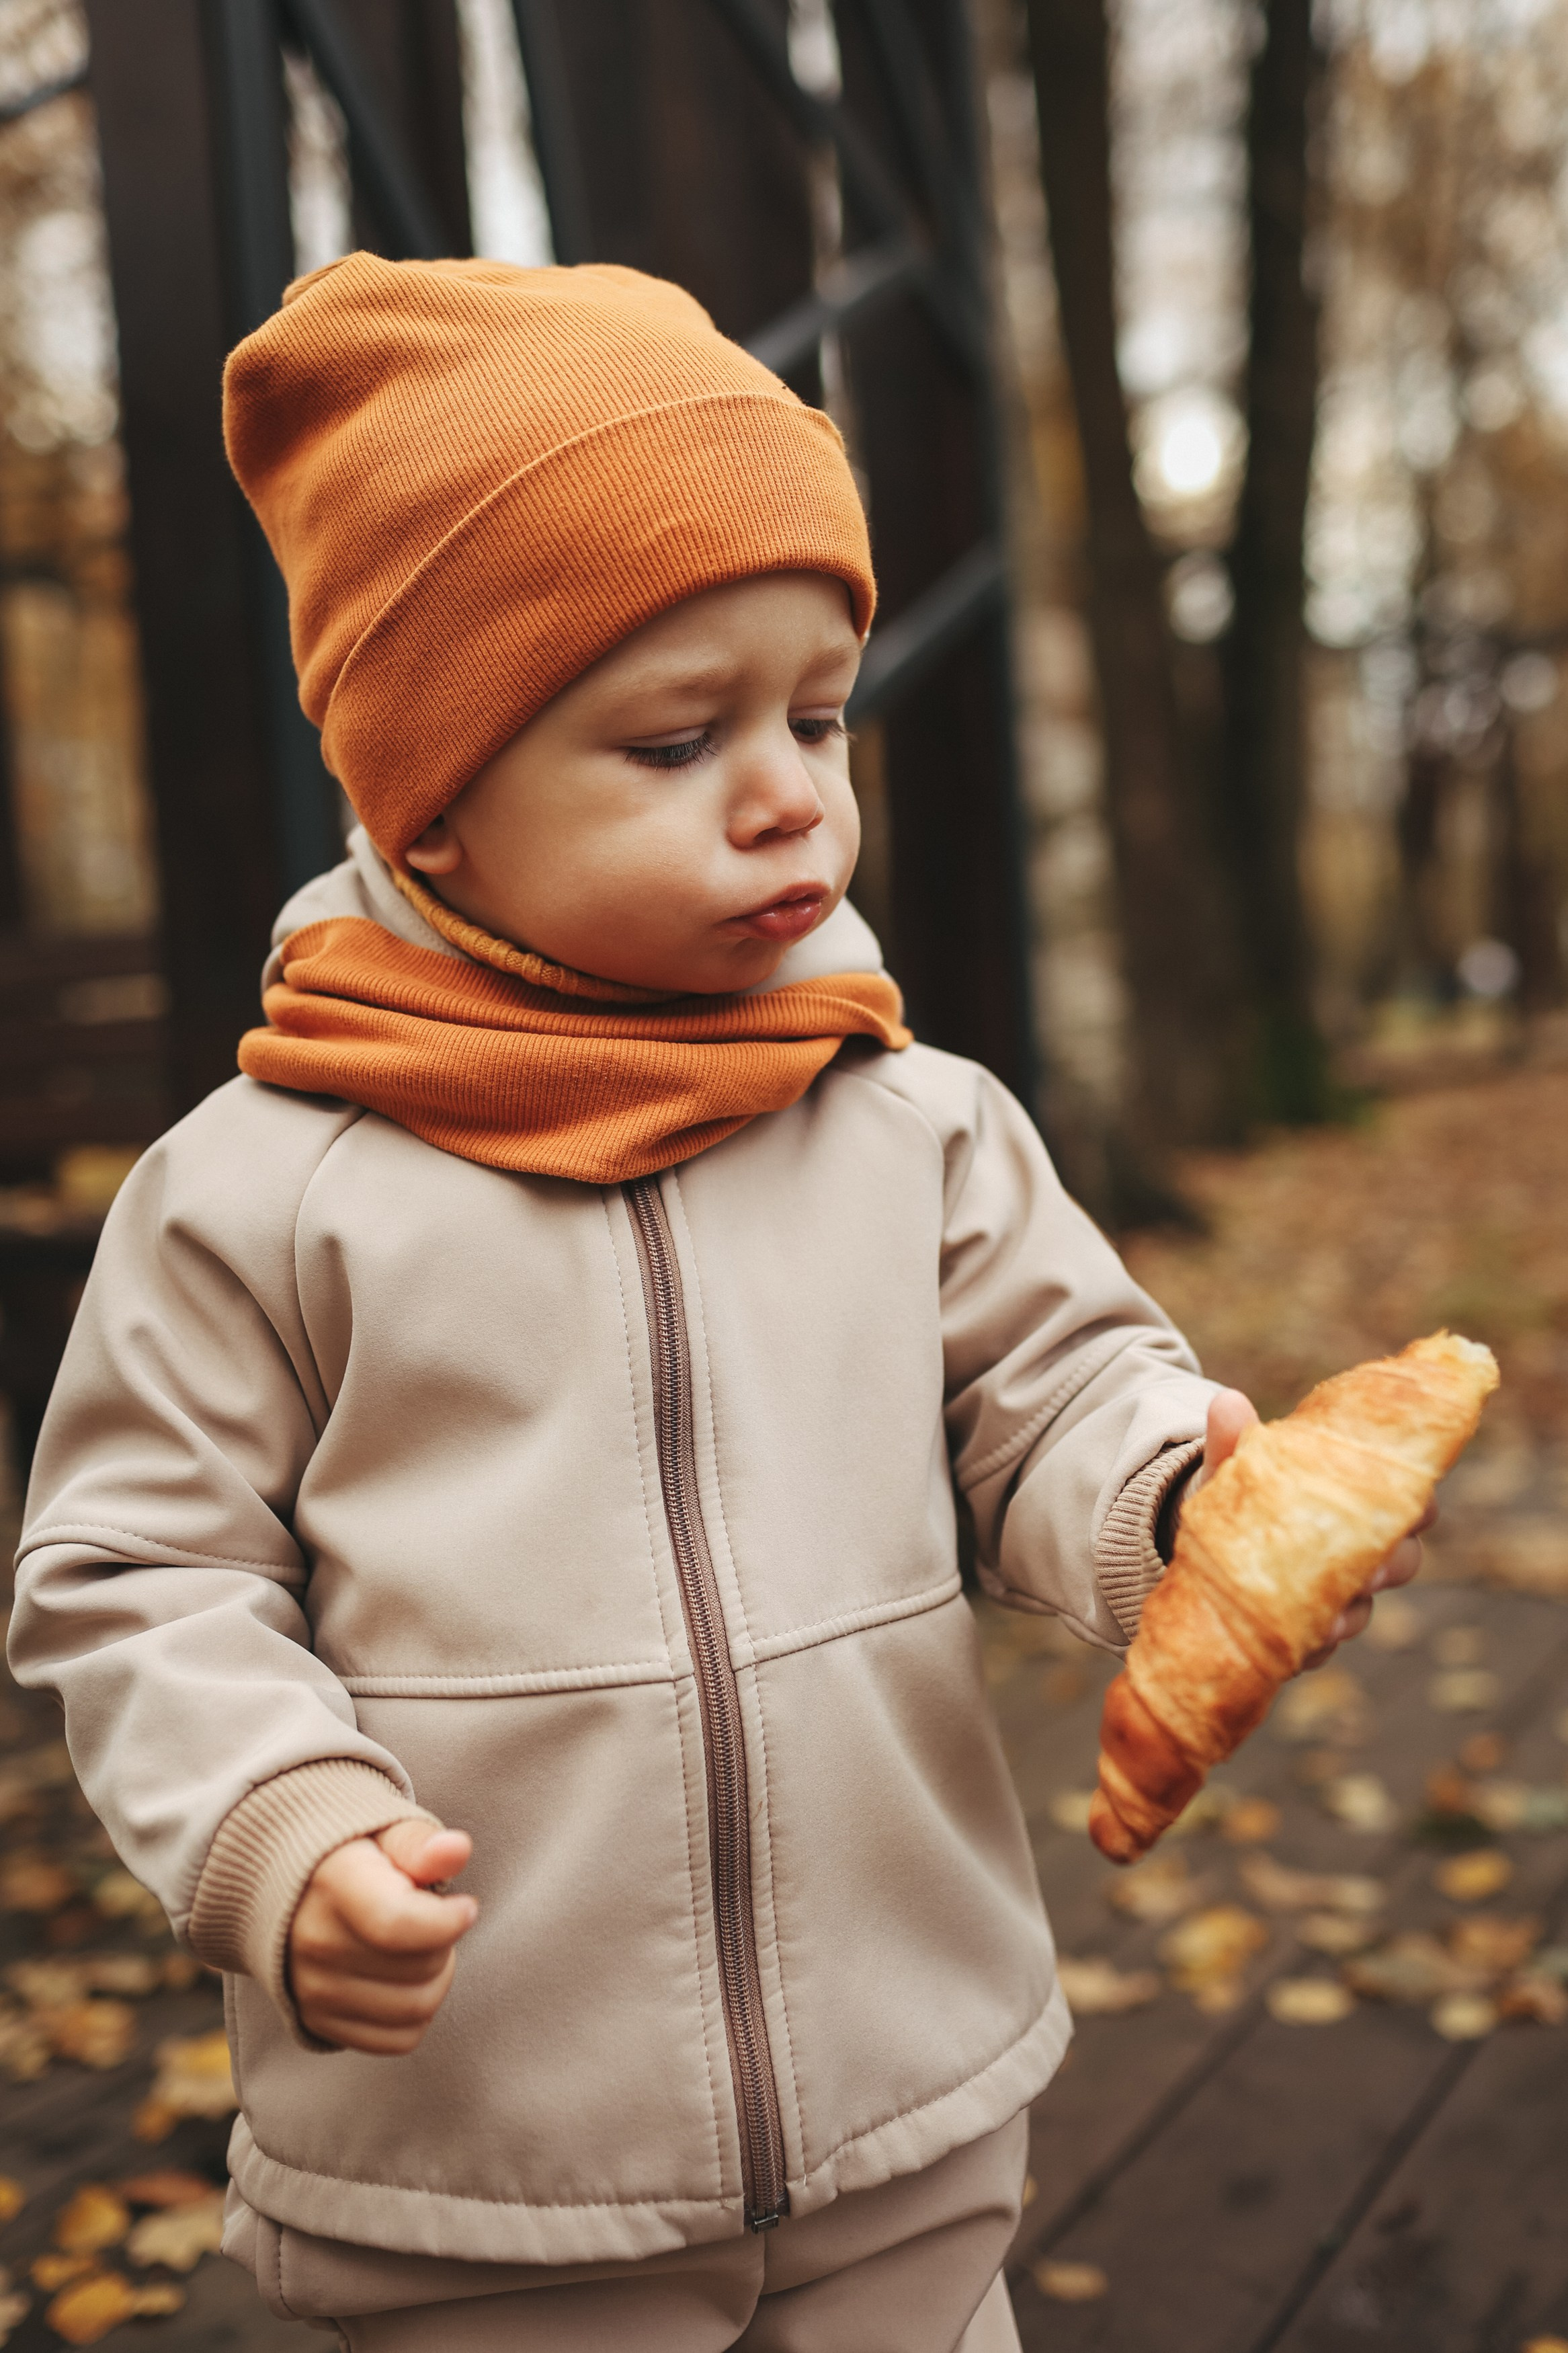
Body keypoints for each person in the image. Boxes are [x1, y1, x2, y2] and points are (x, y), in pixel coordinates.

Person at [6, 257, 1419, 2353]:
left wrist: (1168, 1501)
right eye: (677, 738)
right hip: (486, 2175)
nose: (787, 793)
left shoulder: (905, 1116)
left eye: (815, 715)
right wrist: (280, 1834)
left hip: (905, 2124)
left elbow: (1050, 1387)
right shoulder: (267, 1189)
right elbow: (139, 1571)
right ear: (439, 804)